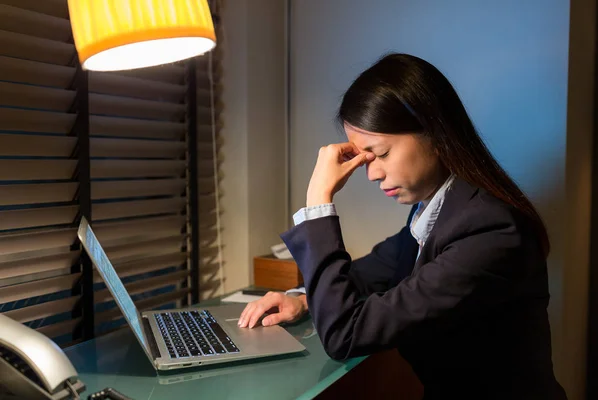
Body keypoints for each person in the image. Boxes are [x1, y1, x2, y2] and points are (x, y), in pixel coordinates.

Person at [238, 53, 567, 399]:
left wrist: (319, 200)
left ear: (436, 134)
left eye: (379, 154)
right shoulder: (439, 211)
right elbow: (369, 273)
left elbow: (345, 334)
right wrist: (303, 300)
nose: (372, 173)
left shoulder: (488, 232)